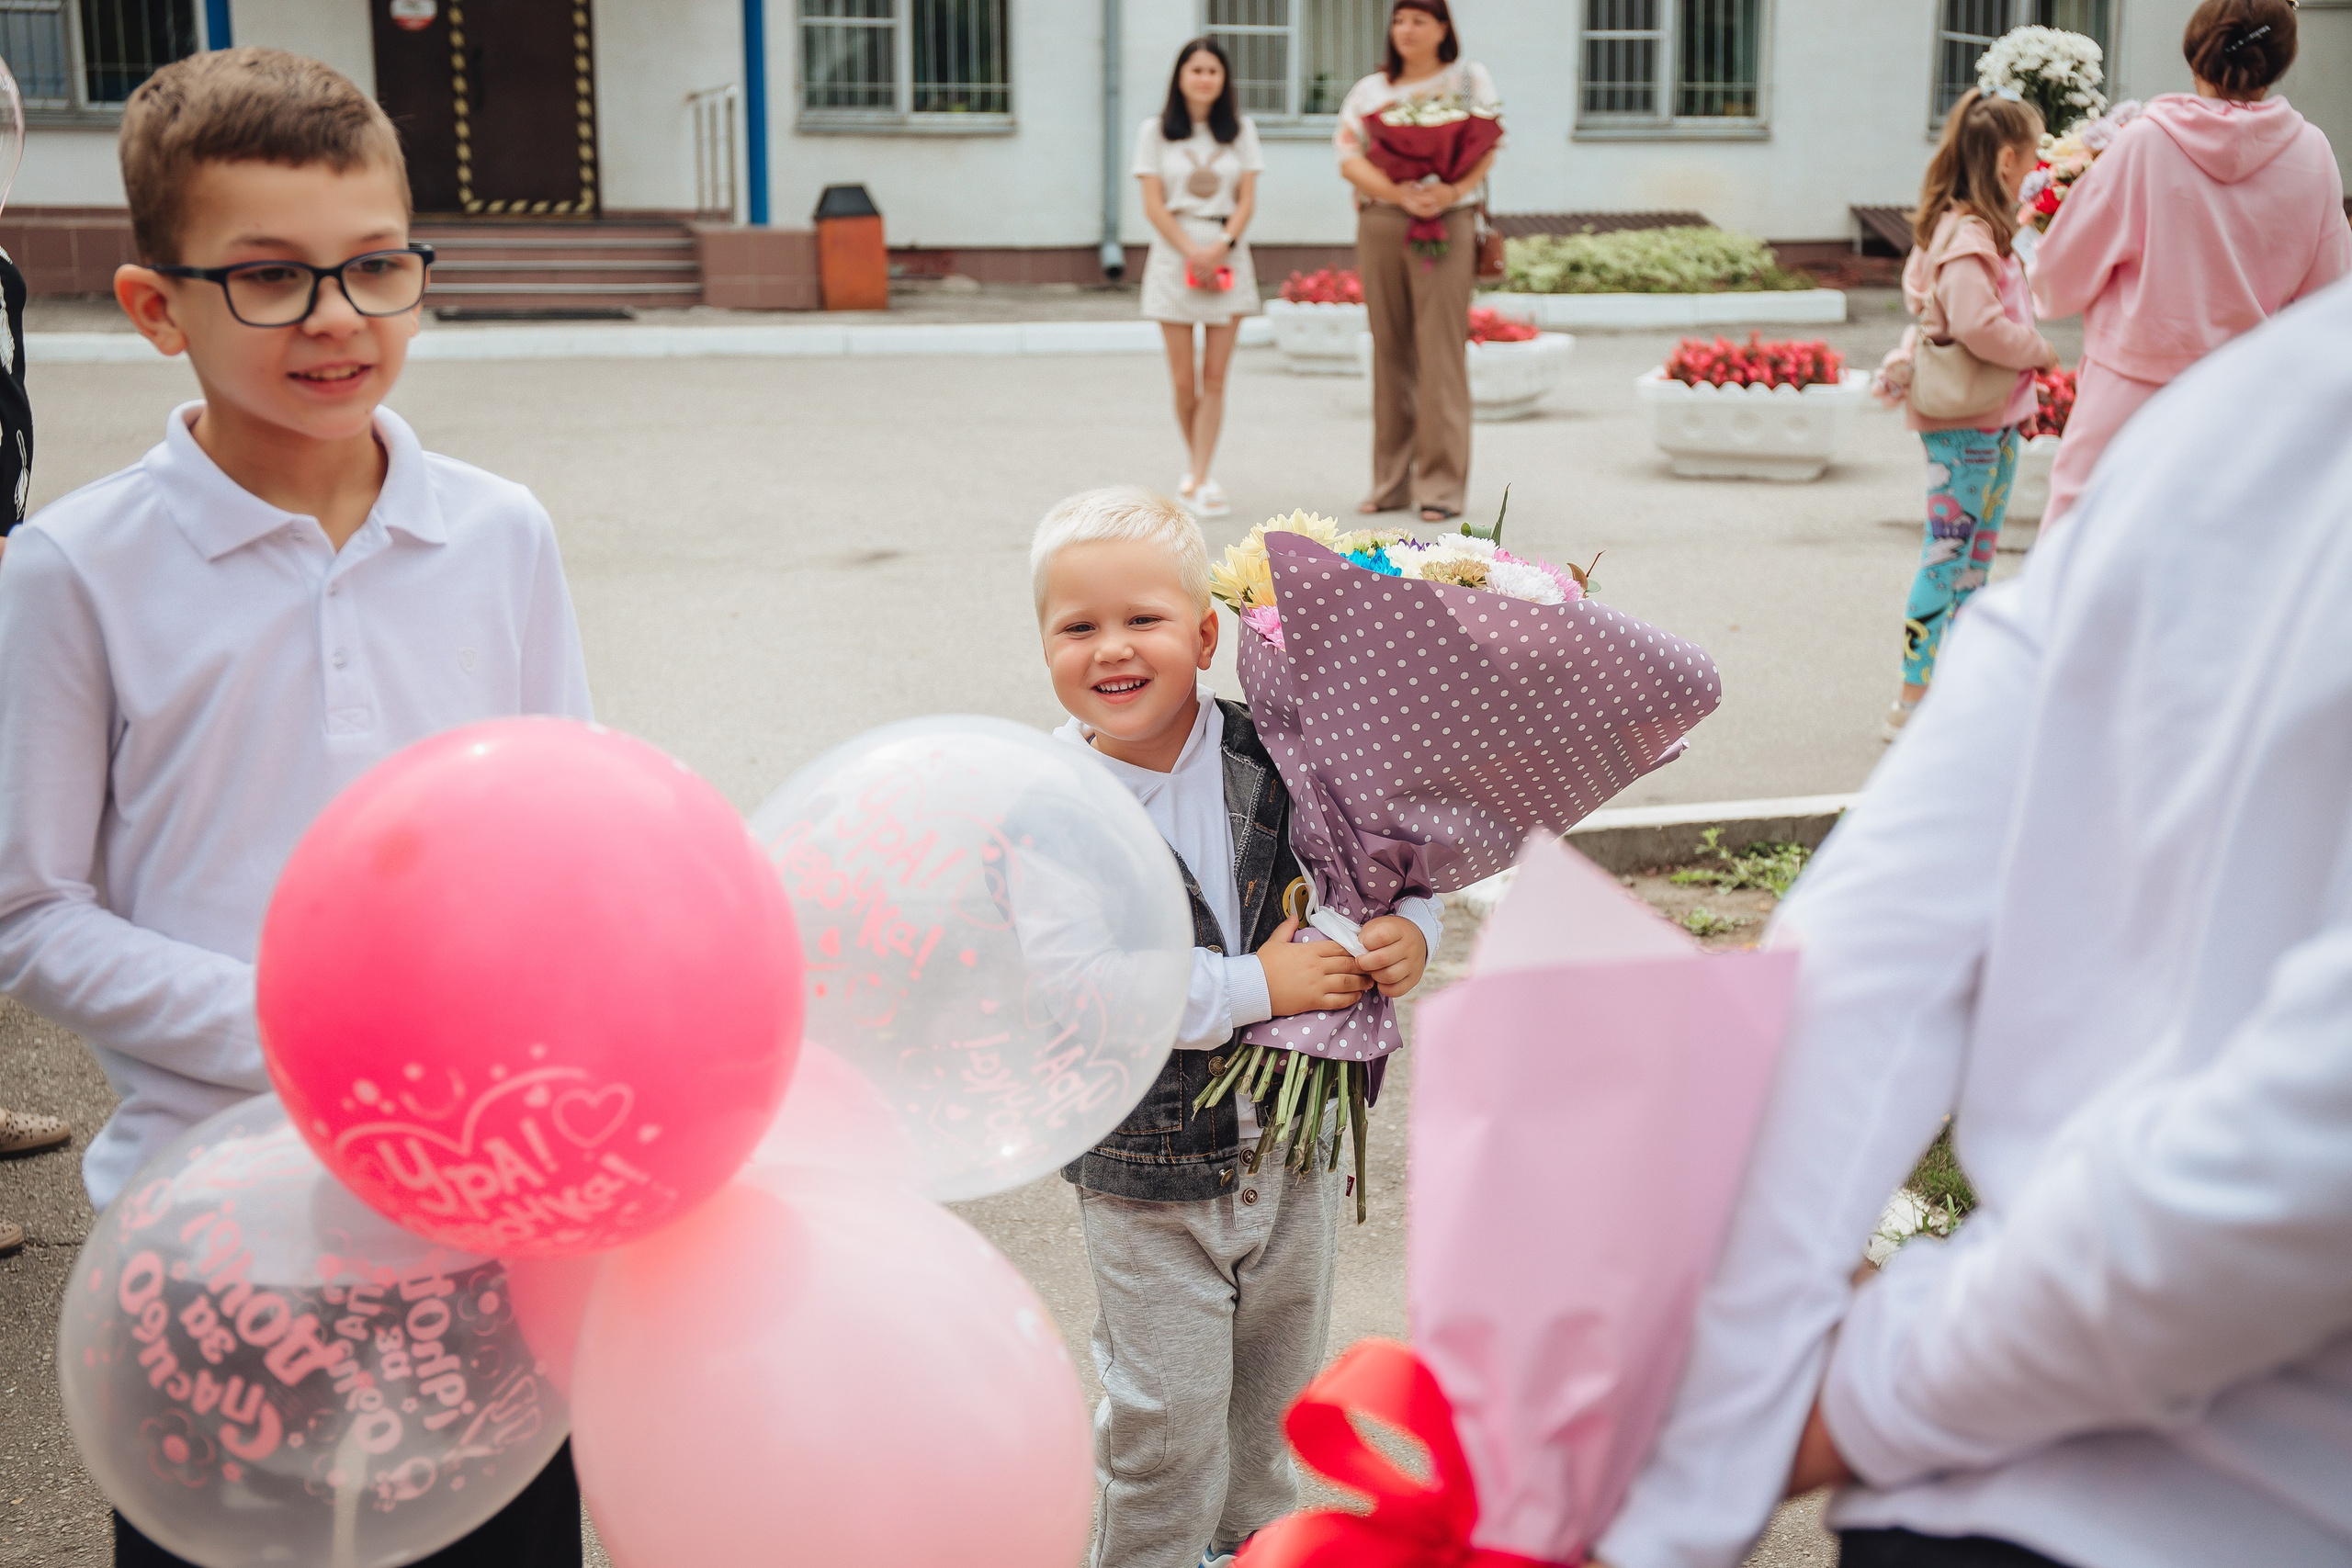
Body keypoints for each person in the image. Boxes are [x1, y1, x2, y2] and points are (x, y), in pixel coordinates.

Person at [1594, 275, 2352, 1568]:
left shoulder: (2244, 408)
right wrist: (1840, 1394)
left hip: (1962, 1498)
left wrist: (1695, 1469)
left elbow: (1872, 947)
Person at [0, 48, 592, 1566]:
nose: (336, 320)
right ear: (156, 307)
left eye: (376, 267)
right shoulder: (74, 571)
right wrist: (307, 1038)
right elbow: (29, 912)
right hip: (221, 1258)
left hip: (485, 1240)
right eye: (268, 279)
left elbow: (566, 836)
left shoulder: (500, 532)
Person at [1030, 487, 1439, 1568]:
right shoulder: (1050, 803)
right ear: (1043, 645)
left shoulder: (1282, 747)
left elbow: (1380, 862)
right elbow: (1089, 990)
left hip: (1293, 1160)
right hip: (1147, 1174)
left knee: (1269, 1413)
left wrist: (1412, 934)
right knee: (1165, 1424)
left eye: (1142, 621)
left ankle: (1248, 1552)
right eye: (1077, 627)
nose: (1111, 650)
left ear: (1207, 634)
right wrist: (1258, 987)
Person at [2030, 0, 2347, 528]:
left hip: (2126, 401)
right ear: (2279, 60)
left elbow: (2058, 281)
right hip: (2243, 408)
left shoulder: (2146, 143)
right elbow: (2328, 305)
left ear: (2196, 53)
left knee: (2083, 564)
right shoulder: (2313, 155)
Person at [1875, 89, 2057, 739]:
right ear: (2008, 160)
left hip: (1991, 421)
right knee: (1950, 554)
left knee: (1973, 558)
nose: (2038, 165)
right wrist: (2039, 349)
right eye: (2035, 153)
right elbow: (1980, 325)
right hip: (1968, 427)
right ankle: (1912, 698)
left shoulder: (1970, 228)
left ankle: (1953, 690)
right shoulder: (1970, 238)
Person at [1336, 0, 1500, 524]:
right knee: (1390, 348)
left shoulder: (1468, 80)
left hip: (1447, 222)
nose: (1406, 30)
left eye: (1419, 20)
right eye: (1400, 19)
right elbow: (1347, 156)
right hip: (1383, 220)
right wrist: (1399, 194)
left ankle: (1442, 487)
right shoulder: (1370, 90)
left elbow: (1488, 149)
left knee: (1440, 352)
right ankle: (1390, 484)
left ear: (1443, 28)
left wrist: (1449, 191)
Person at [1136, 39, 1262, 521]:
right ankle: (1198, 470)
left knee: (1215, 377)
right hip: (1174, 255)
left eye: (1214, 70)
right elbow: (1152, 204)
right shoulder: (1155, 132)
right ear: (1180, 77)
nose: (1205, 78)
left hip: (1227, 251)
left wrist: (1220, 247)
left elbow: (1247, 198)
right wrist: (1193, 252)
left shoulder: (1242, 131)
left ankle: (1200, 476)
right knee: (1184, 380)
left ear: (1224, 79)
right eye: (1196, 69)